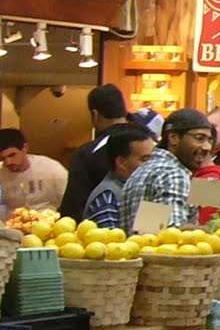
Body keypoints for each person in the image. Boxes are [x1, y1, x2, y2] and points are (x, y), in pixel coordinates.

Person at [120, 109, 214, 233]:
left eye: (209, 140)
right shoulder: (173, 173)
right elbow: (172, 236)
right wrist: (216, 231)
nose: (207, 147)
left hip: (137, 251)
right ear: (173, 138)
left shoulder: (144, 170)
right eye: (199, 138)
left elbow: (150, 231)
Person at [60, 85, 133, 220]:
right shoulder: (149, 143)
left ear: (95, 115)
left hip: (98, 234)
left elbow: (72, 209)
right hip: (149, 233)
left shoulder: (87, 153)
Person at [83, 125, 157, 229]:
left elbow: (151, 237)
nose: (154, 164)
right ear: (121, 162)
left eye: (155, 158)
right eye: (145, 159)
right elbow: (111, 242)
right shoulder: (108, 198)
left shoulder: (148, 189)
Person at [0, 129, 69, 214]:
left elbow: (69, 200)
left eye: (12, 155)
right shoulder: (1, 174)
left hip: (47, 221)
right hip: (12, 223)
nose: (8, 162)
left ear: (25, 148)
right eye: (2, 158)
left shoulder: (51, 169)